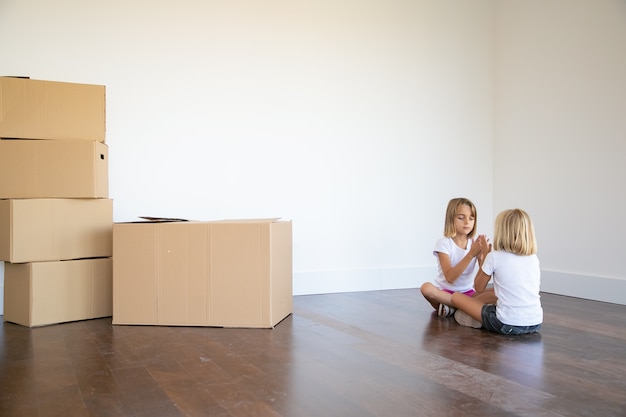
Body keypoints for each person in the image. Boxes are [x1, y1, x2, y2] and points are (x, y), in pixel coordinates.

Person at [451, 208, 543, 335]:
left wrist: (485, 255)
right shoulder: (533, 258)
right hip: (535, 322)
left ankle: (474, 319)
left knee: (456, 297)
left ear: (502, 232)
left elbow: (479, 287)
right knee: (498, 293)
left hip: (506, 323)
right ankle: (478, 316)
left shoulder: (495, 256)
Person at [420, 198, 495, 318]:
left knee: (497, 292)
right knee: (426, 288)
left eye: (471, 218)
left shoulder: (474, 243)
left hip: (469, 294)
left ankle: (455, 308)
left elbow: (481, 283)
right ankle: (465, 308)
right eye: (461, 218)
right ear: (451, 219)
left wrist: (486, 256)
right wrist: (471, 254)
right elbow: (450, 277)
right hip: (445, 294)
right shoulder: (443, 243)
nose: (467, 222)